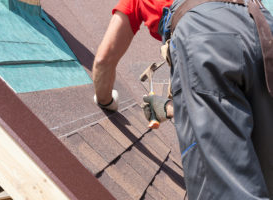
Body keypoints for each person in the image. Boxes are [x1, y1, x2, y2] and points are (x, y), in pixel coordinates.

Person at [93, 0, 273, 199]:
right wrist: (170, 107)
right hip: (264, 27)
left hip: (205, 33)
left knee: (225, 187)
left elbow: (104, 59)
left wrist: (106, 100)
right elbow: (229, 99)